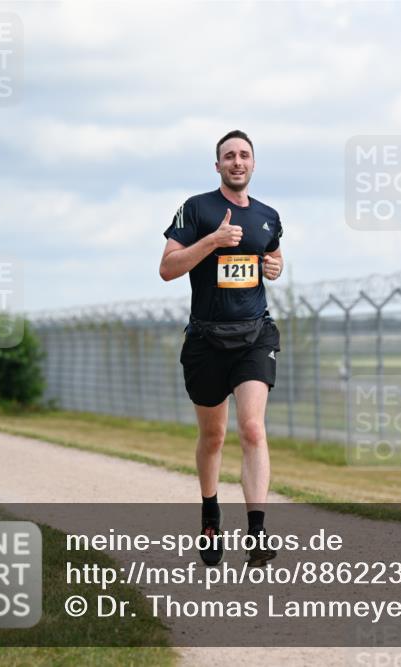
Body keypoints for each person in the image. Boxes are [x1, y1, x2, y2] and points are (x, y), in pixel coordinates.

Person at [159, 130, 284, 567]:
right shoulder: (196, 208)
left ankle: (257, 531)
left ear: (253, 163)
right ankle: (210, 513)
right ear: (218, 166)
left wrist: (275, 266)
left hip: (254, 335)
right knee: (213, 436)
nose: (237, 161)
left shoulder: (268, 216)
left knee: (253, 429)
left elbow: (273, 257)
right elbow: (167, 268)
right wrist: (212, 240)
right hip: (207, 339)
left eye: (244, 155)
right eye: (229, 156)